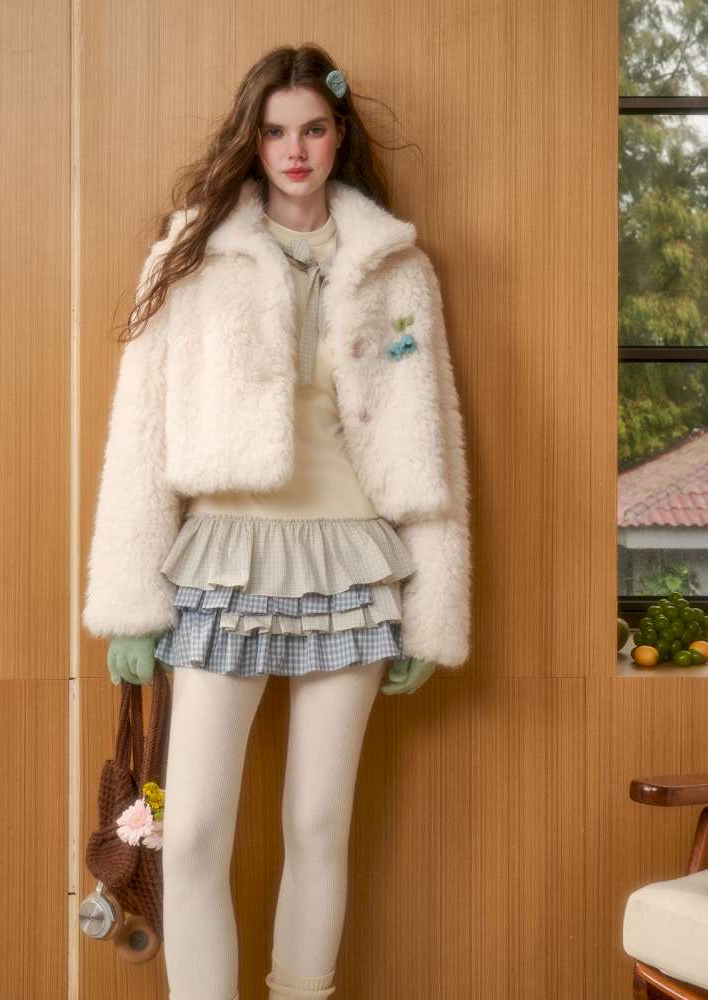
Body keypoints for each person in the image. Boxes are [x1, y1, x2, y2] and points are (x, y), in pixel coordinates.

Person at [82, 43, 472, 1000]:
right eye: (274, 131)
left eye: (313, 129)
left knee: (318, 827)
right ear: (251, 141)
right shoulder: (190, 254)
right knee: (193, 832)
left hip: (354, 564)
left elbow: (432, 442)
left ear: (339, 137)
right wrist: (130, 605)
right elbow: (141, 432)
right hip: (223, 558)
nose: (294, 150)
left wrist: (434, 613)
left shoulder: (397, 266)